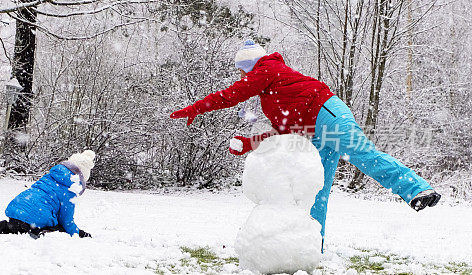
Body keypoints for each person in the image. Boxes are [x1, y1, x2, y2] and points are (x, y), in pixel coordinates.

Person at [170, 40, 441, 238]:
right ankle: (310, 246)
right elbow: (283, 132)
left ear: (249, 66)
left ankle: (416, 189)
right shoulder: (271, 96)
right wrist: (250, 143)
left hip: (328, 114)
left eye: (243, 72)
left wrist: (197, 107)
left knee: (361, 154)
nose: (243, 77)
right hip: (313, 132)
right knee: (315, 190)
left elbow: (233, 94)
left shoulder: (268, 69)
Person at [0, 150, 95, 239]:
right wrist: (79, 233)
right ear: (81, 177)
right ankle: (40, 232)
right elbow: (66, 221)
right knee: (58, 227)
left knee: (11, 227)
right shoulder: (70, 190)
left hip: (17, 209)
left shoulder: (49, 177)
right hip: (34, 221)